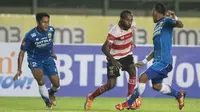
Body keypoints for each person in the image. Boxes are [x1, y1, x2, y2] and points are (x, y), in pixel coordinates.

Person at [115, 2, 185, 110]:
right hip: (158, 61)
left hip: (164, 61)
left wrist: (174, 17)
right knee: (156, 86)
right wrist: (144, 61)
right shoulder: (157, 26)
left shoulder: (166, 21)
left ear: (156, 12)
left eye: (153, 11)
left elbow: (180, 25)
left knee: (143, 78)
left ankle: (128, 103)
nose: (152, 14)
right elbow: (156, 50)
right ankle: (178, 95)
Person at [84, 10, 141, 111]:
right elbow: (104, 48)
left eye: (131, 20)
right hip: (114, 57)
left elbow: (129, 34)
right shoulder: (115, 31)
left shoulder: (132, 25)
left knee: (132, 70)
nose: (130, 22)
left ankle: (129, 98)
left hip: (127, 54)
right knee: (111, 85)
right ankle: (91, 97)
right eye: (128, 20)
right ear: (122, 20)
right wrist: (113, 60)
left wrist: (131, 42)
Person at [13, 13, 60, 109]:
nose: (46, 24)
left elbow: (50, 42)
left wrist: (52, 52)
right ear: (38, 22)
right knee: (41, 80)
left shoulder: (51, 30)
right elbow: (22, 53)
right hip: (35, 59)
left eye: (48, 22)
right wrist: (19, 69)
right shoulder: (30, 35)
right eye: (44, 22)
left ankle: (51, 93)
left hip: (48, 58)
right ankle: (47, 103)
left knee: (56, 84)